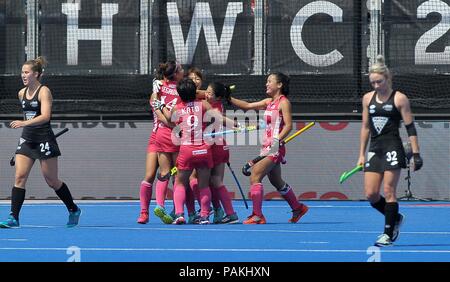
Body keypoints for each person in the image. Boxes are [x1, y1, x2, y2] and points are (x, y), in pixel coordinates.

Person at [0, 57, 81, 228]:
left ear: (36, 74)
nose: (23, 75)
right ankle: (13, 217)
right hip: (27, 140)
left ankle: (73, 209)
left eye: (27, 72)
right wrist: (25, 128)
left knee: (52, 181)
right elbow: (27, 116)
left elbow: (45, 117)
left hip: (44, 139)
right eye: (22, 72)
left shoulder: (44, 91)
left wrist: (24, 123)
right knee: (20, 177)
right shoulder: (21, 93)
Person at [357, 55, 423, 247]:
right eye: (373, 82)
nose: (376, 86)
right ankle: (395, 216)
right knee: (371, 194)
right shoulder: (367, 99)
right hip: (375, 149)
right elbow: (365, 127)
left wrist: (416, 154)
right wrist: (361, 154)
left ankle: (387, 233)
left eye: (379, 81)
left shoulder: (400, 98)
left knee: (389, 190)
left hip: (393, 147)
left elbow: (410, 127)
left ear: (387, 78)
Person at [228, 72, 309, 224]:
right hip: (266, 146)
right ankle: (298, 208)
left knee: (255, 176)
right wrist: (227, 97)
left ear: (279, 85)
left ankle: (257, 215)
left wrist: (277, 140)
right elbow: (246, 106)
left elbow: (289, 125)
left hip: (274, 148)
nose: (266, 84)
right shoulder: (268, 102)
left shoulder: (284, 102)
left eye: (269, 81)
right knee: (276, 181)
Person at [152, 61, 184, 224]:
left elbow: (156, 107)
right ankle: (179, 213)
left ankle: (160, 205)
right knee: (178, 176)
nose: (184, 71)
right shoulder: (182, 88)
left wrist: (167, 122)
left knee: (164, 172)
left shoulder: (158, 87)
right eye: (181, 69)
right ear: (176, 74)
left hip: (162, 133)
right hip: (177, 134)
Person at [203, 82, 238, 224]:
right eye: (206, 91)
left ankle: (211, 212)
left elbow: (220, 118)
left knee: (213, 181)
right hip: (219, 146)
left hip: (215, 147)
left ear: (217, 97)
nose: (206, 94)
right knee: (214, 182)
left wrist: (233, 123)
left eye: (209, 93)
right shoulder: (210, 102)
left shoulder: (212, 107)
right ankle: (224, 212)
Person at [136, 78, 163, 224]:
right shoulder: (155, 95)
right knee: (150, 175)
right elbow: (157, 108)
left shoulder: (177, 91)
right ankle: (144, 212)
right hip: (156, 137)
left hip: (174, 139)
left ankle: (179, 211)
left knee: (175, 175)